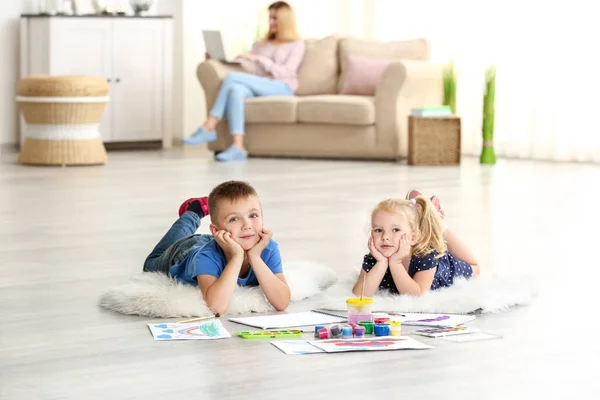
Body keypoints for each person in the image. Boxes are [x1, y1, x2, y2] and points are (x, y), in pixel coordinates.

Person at [143, 180, 291, 315]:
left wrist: (254, 257)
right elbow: (215, 307)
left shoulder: (268, 248)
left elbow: (282, 302)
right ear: (216, 230)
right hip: (184, 252)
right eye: (234, 219)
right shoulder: (206, 257)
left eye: (253, 215)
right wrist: (237, 257)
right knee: (150, 264)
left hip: (224, 241)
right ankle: (193, 212)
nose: (247, 225)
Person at [184, 1, 306, 162]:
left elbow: (287, 72)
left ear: (286, 20)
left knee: (232, 79)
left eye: (275, 18)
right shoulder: (261, 44)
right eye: (270, 18)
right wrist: (217, 61)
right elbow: (248, 68)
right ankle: (238, 147)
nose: (271, 22)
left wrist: (259, 59)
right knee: (235, 89)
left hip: (282, 86)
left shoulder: (296, 45)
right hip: (260, 84)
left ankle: (210, 124)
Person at [352, 189, 480, 297]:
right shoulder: (375, 258)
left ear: (413, 237)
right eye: (378, 230)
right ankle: (424, 219)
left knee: (475, 268)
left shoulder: (426, 256)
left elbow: (416, 296)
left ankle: (438, 222)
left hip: (444, 264)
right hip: (415, 236)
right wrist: (381, 263)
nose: (385, 237)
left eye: (395, 230)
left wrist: (395, 263)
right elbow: (359, 294)